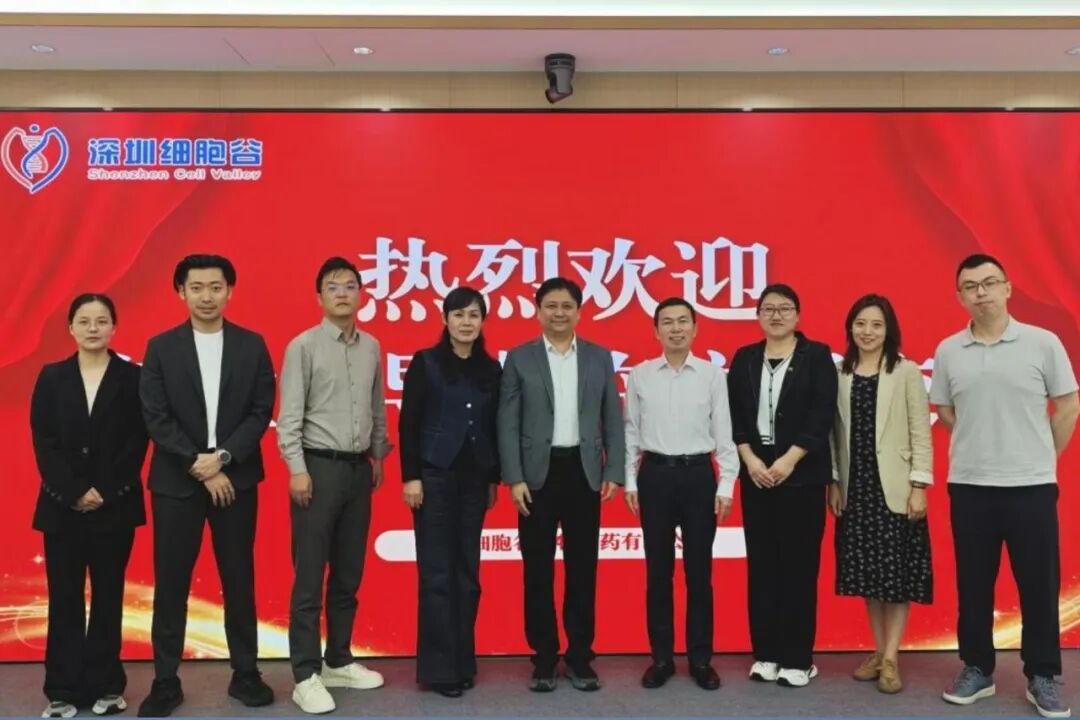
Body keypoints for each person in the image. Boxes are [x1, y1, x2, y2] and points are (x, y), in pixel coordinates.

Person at [931, 254, 1078, 718]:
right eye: (970, 286)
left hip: (1031, 485)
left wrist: (1039, 455)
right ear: (960, 297)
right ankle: (977, 668)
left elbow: (1068, 406)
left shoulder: (1042, 342)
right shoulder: (949, 350)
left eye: (990, 282)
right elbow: (946, 410)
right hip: (970, 485)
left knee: (1038, 584)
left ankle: (1042, 674)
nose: (981, 292)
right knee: (974, 584)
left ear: (1008, 288)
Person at [137, 255, 276, 717]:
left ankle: (246, 672)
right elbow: (155, 415)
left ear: (230, 290)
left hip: (235, 478)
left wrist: (223, 459)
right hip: (177, 481)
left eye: (216, 287)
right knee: (171, 581)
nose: (206, 296)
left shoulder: (252, 345)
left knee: (238, 576)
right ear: (181, 292)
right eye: (196, 287)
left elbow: (261, 410)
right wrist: (198, 463)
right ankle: (165, 680)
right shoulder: (161, 347)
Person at [497, 277, 625, 692]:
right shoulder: (519, 358)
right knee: (537, 569)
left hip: (583, 472)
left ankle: (580, 656)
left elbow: (612, 417)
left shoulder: (599, 358)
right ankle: (544, 657)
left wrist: (613, 470)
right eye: (551, 306)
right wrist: (514, 477)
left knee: (583, 568)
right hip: (537, 475)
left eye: (567, 306)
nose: (559, 313)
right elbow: (507, 422)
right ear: (538, 312)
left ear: (579, 312)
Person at [277, 257, 391, 715]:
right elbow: (289, 416)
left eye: (350, 286)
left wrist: (377, 454)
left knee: (348, 572)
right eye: (333, 286)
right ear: (319, 296)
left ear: (361, 293)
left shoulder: (372, 346)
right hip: (317, 469)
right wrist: (297, 468)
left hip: (359, 469)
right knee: (309, 576)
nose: (342, 293)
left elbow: (377, 405)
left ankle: (338, 660)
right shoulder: (303, 346)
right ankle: (305, 674)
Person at [31, 294, 149, 719]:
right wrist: (76, 491)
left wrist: (105, 490)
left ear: (114, 327)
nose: (93, 328)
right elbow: (44, 441)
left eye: (102, 320)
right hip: (61, 508)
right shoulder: (52, 377)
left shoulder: (133, 378)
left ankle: (106, 685)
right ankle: (61, 689)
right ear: (71, 328)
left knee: (108, 596)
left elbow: (138, 440)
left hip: (114, 507)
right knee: (64, 598)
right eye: (84, 321)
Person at [623, 297, 739, 691]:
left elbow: (724, 433)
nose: (676, 329)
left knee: (699, 573)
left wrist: (726, 484)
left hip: (698, 477)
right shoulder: (640, 375)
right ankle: (661, 659)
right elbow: (631, 432)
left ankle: (701, 660)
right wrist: (630, 481)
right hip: (655, 476)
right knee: (658, 573)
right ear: (656, 331)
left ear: (695, 328)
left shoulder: (712, 375)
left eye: (683, 321)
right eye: (667, 322)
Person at [726, 283, 836, 688]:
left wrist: (789, 459)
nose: (776, 315)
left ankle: (798, 658)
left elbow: (822, 414)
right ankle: (767, 654)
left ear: (798, 315)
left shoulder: (817, 356)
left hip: (801, 476)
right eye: (768, 309)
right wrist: (750, 460)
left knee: (799, 568)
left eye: (784, 308)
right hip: (757, 475)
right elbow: (734, 415)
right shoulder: (744, 358)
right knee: (763, 567)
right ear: (758, 316)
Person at [398, 286, 501, 697]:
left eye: (473, 315)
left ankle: (463, 662)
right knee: (437, 573)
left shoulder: (491, 369)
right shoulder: (426, 363)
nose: (466, 322)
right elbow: (408, 422)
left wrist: (493, 478)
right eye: (458, 315)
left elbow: (494, 427)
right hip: (434, 478)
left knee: (467, 574)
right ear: (445, 320)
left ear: (482, 321)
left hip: (475, 480)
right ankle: (440, 671)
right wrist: (411, 477)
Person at [828, 294, 933, 694]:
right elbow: (832, 435)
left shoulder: (905, 371)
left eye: (876, 325)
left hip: (896, 488)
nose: (867, 332)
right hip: (856, 489)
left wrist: (919, 485)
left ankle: (891, 657)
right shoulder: (840, 373)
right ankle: (877, 649)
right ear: (850, 328)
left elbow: (920, 431)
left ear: (888, 330)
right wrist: (834, 481)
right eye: (860, 324)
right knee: (868, 576)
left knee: (897, 576)